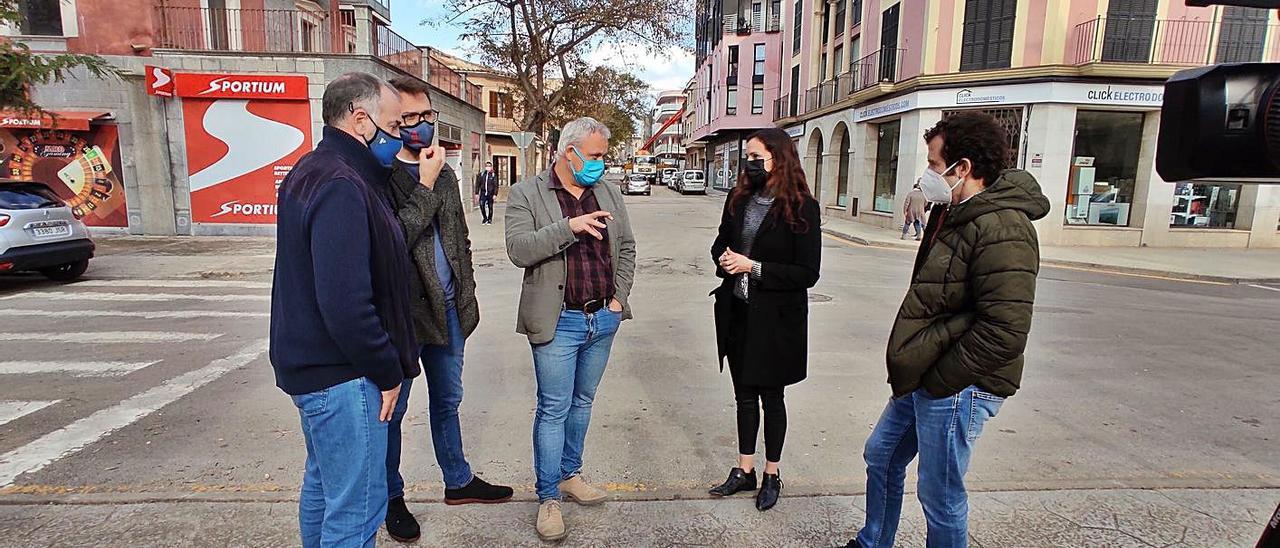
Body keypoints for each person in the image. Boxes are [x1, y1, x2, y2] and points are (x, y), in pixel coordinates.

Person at [839, 111, 1050, 548]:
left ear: (964, 169)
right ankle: (874, 541)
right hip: (929, 370)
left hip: (958, 384)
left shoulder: (1003, 226)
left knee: (940, 493)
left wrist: (938, 382)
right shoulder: (955, 212)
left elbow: (1005, 329)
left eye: (936, 166)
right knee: (881, 455)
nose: (929, 175)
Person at [269, 72, 416, 548]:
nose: (402, 136)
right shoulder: (341, 182)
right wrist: (386, 370)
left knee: (325, 487)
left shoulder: (316, 170)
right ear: (360, 119)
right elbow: (345, 302)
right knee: (356, 509)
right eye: (394, 125)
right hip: (344, 375)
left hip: (320, 372)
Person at [379, 76, 515, 544]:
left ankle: (457, 481)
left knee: (448, 401)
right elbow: (395, 242)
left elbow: (458, 239)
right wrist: (426, 181)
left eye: (425, 116)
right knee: (392, 413)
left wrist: (468, 292)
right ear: (393, 121)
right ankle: (390, 496)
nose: (419, 127)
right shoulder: (383, 174)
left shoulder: (447, 171)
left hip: (450, 308)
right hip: (405, 315)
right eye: (409, 119)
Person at [504, 117, 637, 542]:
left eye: (603, 155)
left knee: (582, 403)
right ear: (569, 152)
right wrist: (569, 227)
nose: (601, 163)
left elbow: (628, 247)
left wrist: (618, 300)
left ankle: (569, 475)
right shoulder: (527, 193)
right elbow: (519, 250)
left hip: (603, 318)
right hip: (558, 321)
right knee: (553, 409)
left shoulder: (609, 192)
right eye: (595, 156)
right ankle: (548, 498)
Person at [707, 128, 821, 512]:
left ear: (779, 158)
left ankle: (772, 473)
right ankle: (745, 469)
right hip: (738, 313)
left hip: (776, 321)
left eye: (757, 157)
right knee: (743, 396)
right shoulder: (738, 199)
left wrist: (752, 267)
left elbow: (807, 273)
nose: (750, 164)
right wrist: (724, 258)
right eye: (748, 158)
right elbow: (720, 241)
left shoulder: (802, 206)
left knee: (771, 397)